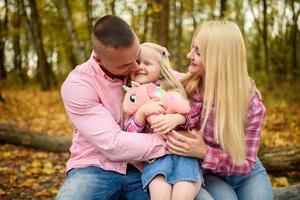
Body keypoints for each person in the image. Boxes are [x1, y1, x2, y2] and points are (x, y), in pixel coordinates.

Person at [56, 15, 168, 200]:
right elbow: (113, 144)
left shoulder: (142, 65)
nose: (136, 67)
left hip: (145, 166)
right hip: (94, 167)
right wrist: (171, 144)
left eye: (137, 56)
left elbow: (177, 82)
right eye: (125, 64)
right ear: (100, 60)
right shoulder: (79, 84)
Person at [165, 20, 274, 200]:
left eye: (197, 52)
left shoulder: (251, 103)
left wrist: (205, 152)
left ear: (218, 59)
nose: (188, 55)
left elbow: (246, 163)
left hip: (244, 173)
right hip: (209, 173)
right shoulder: (188, 90)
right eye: (192, 48)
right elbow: (155, 73)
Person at [123, 43, 202, 200]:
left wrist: (178, 118)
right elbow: (128, 134)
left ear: (161, 72)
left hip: (183, 155)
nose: (140, 67)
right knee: (159, 196)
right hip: (155, 160)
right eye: (137, 62)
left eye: (147, 63)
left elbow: (194, 114)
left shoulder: (172, 92)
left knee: (183, 196)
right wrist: (141, 113)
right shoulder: (132, 97)